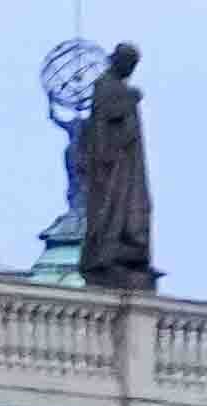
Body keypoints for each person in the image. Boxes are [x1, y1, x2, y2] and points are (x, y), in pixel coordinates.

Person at [81, 45, 157, 291]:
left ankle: (132, 250)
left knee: (138, 206)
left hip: (128, 162)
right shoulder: (106, 86)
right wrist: (129, 99)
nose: (131, 70)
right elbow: (104, 118)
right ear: (118, 61)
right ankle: (109, 253)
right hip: (113, 164)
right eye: (129, 64)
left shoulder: (119, 88)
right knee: (113, 209)